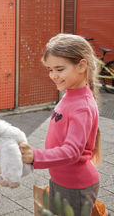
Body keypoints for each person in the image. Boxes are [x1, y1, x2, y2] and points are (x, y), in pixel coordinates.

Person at [20, 34, 101, 216]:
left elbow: (72, 151)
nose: (53, 76)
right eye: (50, 69)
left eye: (59, 69)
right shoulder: (71, 93)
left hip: (75, 187)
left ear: (81, 66)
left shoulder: (82, 106)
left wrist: (35, 157)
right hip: (61, 180)